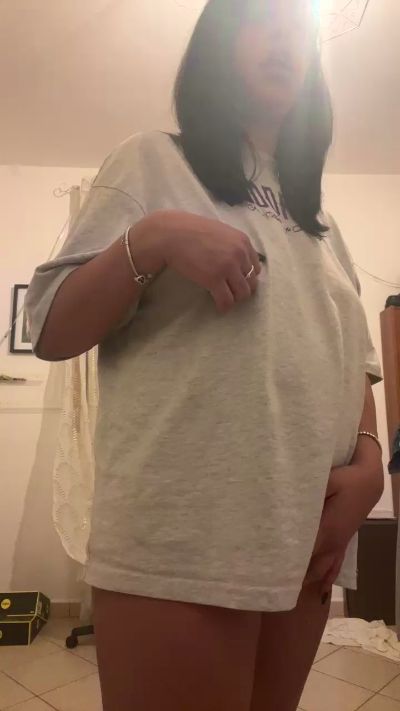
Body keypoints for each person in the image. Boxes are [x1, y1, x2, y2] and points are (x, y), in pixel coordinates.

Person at [26, 1, 384, 709]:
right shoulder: (154, 159)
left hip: (305, 537)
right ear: (217, 46)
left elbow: (355, 366)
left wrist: (370, 466)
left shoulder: (322, 223)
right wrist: (153, 238)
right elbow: (51, 328)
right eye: (260, 20)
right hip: (184, 534)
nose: (284, 38)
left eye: (298, 30)